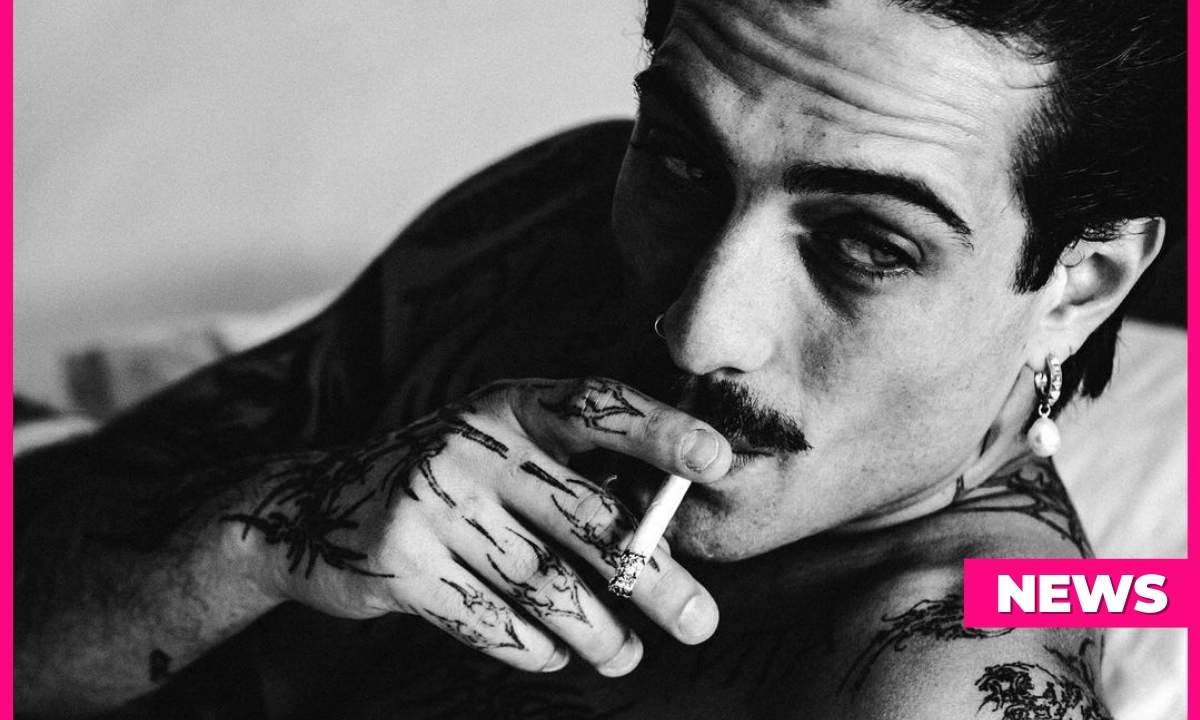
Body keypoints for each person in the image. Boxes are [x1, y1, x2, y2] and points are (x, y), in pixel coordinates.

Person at [14, 0, 1184, 717]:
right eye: (680, 160)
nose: (700, 328)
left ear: (1080, 281)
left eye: (866, 245)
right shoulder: (559, 231)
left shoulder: (938, 671)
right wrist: (271, 530)